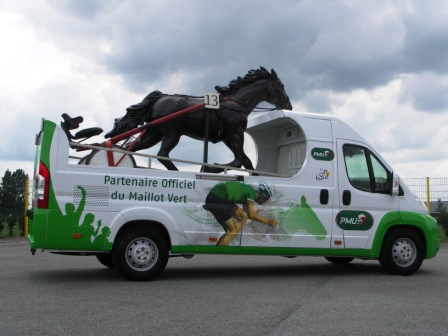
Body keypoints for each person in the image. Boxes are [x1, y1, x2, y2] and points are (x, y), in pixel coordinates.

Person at [203, 180, 277, 246]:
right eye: (266, 198)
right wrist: (268, 221)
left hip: (219, 197)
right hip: (217, 198)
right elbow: (252, 215)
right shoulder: (251, 194)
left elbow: (248, 214)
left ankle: (229, 238)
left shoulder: (248, 190)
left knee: (243, 216)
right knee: (231, 231)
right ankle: (219, 251)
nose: (265, 201)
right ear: (260, 193)